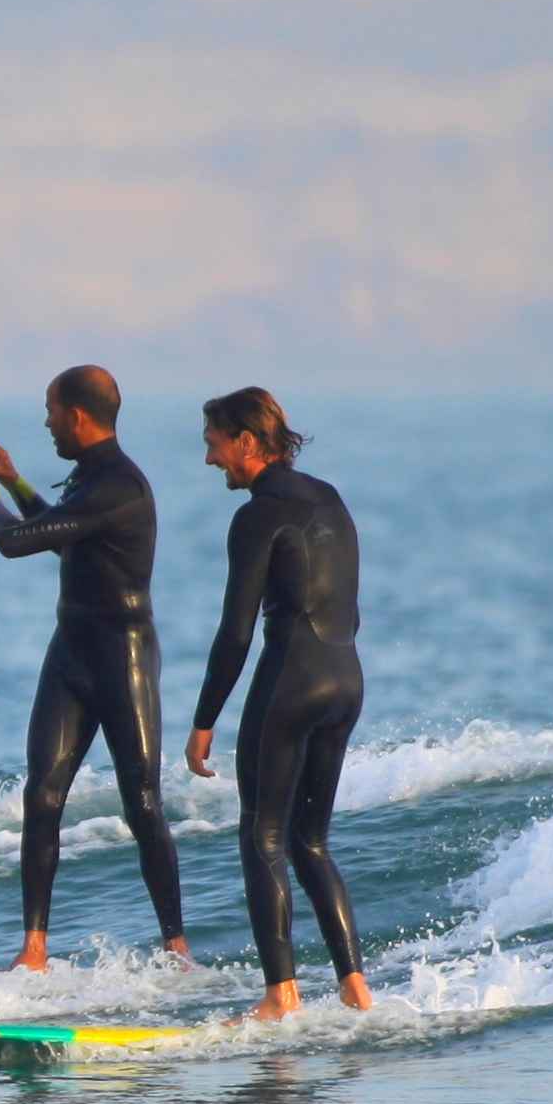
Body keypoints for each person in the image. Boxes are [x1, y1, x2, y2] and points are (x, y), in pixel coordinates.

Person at [0, 367, 190, 973]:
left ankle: (176, 948)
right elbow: (64, 533)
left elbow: (16, 541)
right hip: (71, 655)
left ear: (79, 416)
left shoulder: (121, 486)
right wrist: (15, 480)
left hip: (123, 657)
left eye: (51, 410)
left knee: (142, 803)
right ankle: (34, 950)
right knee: (43, 795)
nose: (46, 422)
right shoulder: (92, 478)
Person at [182, 385, 370, 1018]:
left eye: (214, 445)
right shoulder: (331, 499)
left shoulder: (256, 516)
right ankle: (355, 989)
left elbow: (236, 631)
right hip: (346, 678)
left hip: (290, 679)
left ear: (246, 442)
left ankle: (280, 995)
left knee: (260, 833)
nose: (210, 461)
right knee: (311, 841)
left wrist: (204, 719)